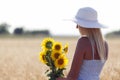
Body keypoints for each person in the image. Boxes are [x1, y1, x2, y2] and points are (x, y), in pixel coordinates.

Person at [57, 7, 108, 80]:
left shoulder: (83, 42)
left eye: (78, 23)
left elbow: (72, 77)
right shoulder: (105, 45)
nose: (77, 27)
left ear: (85, 25)